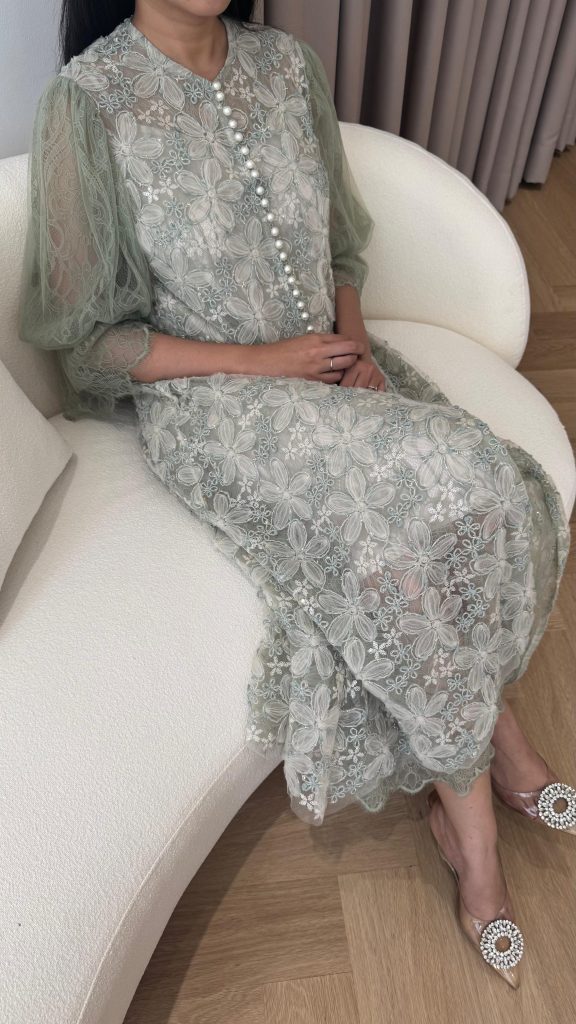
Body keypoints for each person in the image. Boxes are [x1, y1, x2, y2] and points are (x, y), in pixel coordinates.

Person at [17, 0, 573, 988]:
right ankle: (476, 823)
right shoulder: (90, 106)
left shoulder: (286, 67)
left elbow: (340, 249)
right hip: (215, 406)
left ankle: (489, 744)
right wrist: (265, 360)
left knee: (483, 481)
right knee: (398, 532)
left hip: (330, 368)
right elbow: (90, 340)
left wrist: (352, 345)